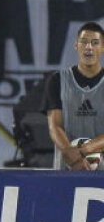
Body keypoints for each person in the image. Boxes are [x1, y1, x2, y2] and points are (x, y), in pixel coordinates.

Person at [44, 22, 104, 170]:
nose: (89, 47)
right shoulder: (57, 80)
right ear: (76, 45)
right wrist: (70, 154)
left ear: (103, 47)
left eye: (95, 43)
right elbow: (54, 125)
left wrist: (83, 151)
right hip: (66, 170)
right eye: (84, 42)